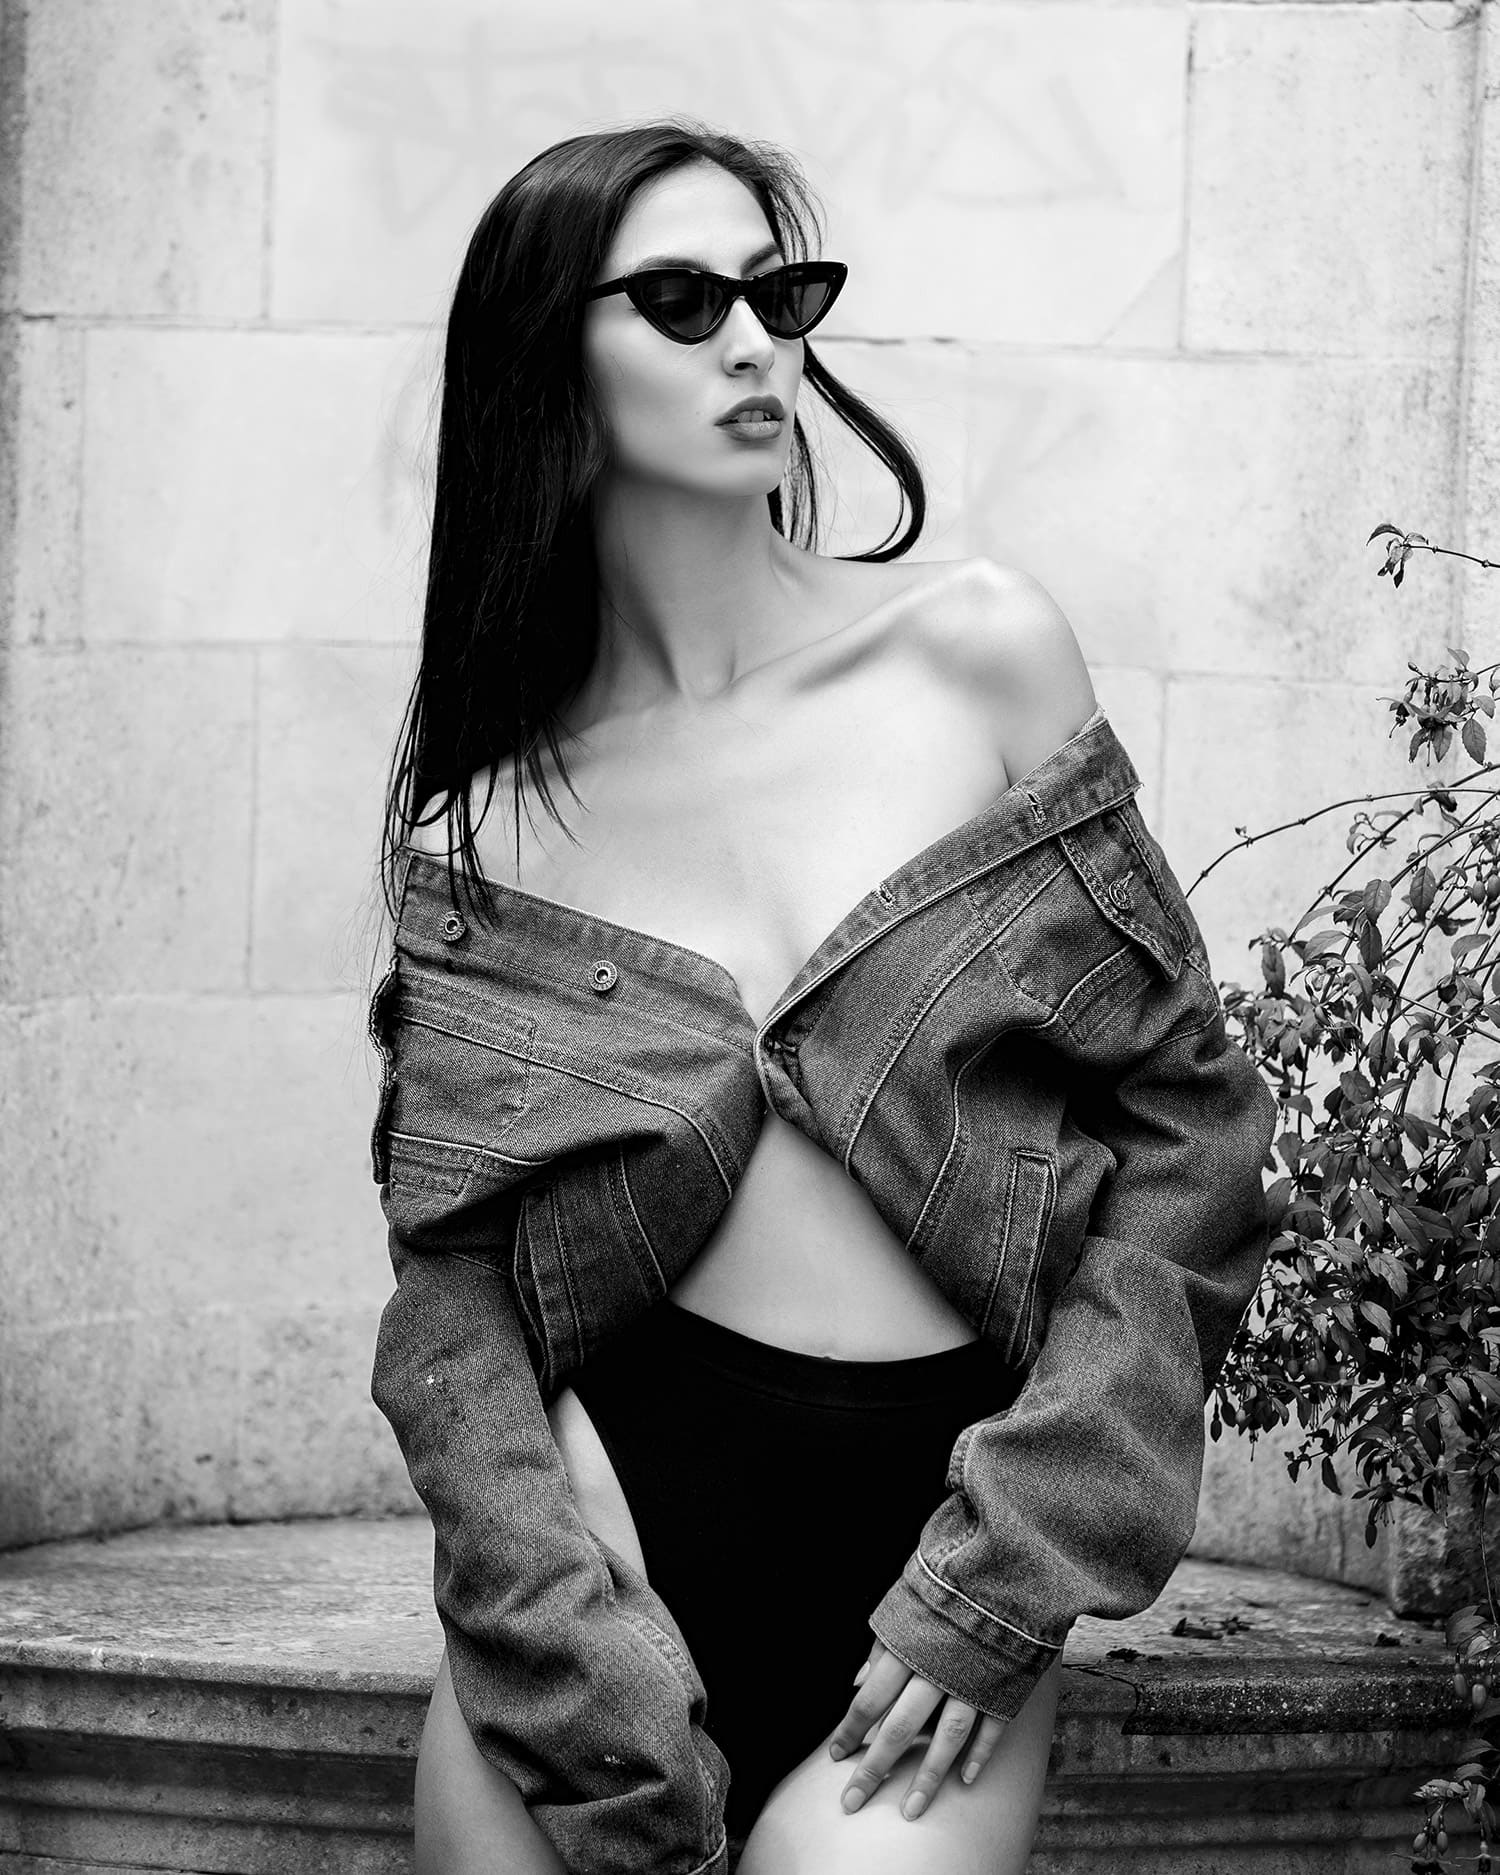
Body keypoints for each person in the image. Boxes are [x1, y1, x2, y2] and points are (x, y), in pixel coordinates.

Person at [367, 119, 1277, 1875]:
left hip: (932, 1551)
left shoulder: (975, 653)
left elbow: (1196, 1146)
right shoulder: (484, 825)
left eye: (777, 296)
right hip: (598, 1572)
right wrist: (539, 1593)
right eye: (681, 300)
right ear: (545, 357)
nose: (752, 345)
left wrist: (1007, 1575)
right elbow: (451, 1283)